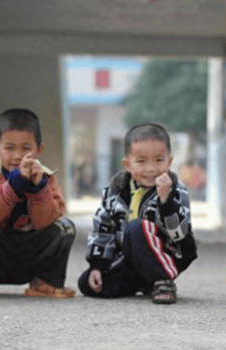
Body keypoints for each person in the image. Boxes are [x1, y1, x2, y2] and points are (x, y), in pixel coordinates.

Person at [0, 108, 76, 300]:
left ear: (39, 149)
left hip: (33, 256)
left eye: (26, 148)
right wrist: (12, 188)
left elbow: (46, 221)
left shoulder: (47, 178)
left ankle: (45, 283)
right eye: (9, 147)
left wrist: (39, 189)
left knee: (65, 227)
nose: (17, 156)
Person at [78, 123, 198, 304]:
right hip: (129, 258)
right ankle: (144, 282)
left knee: (136, 228)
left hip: (169, 254)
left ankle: (162, 280)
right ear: (127, 164)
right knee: (87, 283)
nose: (150, 169)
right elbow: (102, 230)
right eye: (141, 161)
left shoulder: (176, 190)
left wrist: (166, 201)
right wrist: (97, 265)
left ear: (170, 162)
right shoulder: (114, 192)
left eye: (159, 160)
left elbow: (179, 233)